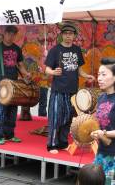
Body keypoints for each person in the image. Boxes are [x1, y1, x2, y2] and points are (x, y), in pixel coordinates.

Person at [45, 22, 95, 154]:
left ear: (74, 36)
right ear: (61, 35)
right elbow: (46, 69)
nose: (68, 36)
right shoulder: (55, 50)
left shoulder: (77, 50)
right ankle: (52, 145)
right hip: (58, 90)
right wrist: (53, 72)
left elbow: (79, 70)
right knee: (56, 117)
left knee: (68, 118)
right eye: (66, 34)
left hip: (73, 91)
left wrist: (87, 76)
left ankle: (62, 143)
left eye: (71, 34)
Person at [0, 25, 31, 145]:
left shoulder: (17, 49)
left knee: (12, 110)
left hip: (14, 83)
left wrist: (26, 74)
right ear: (5, 33)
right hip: (1, 83)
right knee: (0, 109)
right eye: (9, 33)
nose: (11, 36)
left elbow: (20, 65)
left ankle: (9, 134)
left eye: (13, 34)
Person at [90, 57, 115, 185]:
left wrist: (104, 133)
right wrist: (93, 132)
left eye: (104, 74)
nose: (99, 78)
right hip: (101, 153)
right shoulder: (101, 97)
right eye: (98, 74)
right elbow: (98, 123)